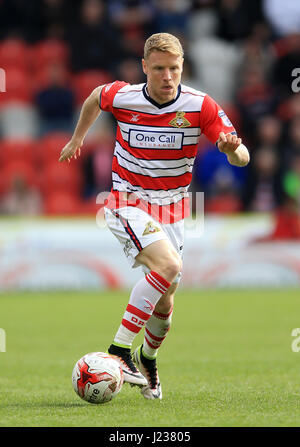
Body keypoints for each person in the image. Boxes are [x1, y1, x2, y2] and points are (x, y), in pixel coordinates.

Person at [59, 32, 250, 400]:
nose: (167, 76)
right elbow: (95, 98)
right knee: (169, 266)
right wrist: (77, 138)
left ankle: (148, 358)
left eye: (174, 69)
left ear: (183, 68)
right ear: (144, 67)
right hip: (126, 201)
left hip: (175, 210)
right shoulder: (125, 96)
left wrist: (233, 150)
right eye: (159, 68)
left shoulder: (200, 105)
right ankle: (119, 352)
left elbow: (243, 157)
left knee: (166, 301)